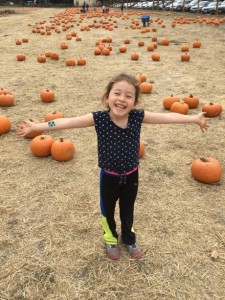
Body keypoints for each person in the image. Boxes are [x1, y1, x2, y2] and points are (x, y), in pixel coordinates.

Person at [16, 73, 210, 261]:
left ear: (135, 101)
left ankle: (129, 239)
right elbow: (66, 122)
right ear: (107, 97)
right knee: (107, 210)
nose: (122, 99)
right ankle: (110, 240)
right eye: (117, 93)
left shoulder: (137, 117)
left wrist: (193, 118)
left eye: (128, 96)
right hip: (108, 176)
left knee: (128, 209)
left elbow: (166, 118)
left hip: (132, 175)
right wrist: (38, 127)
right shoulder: (99, 119)